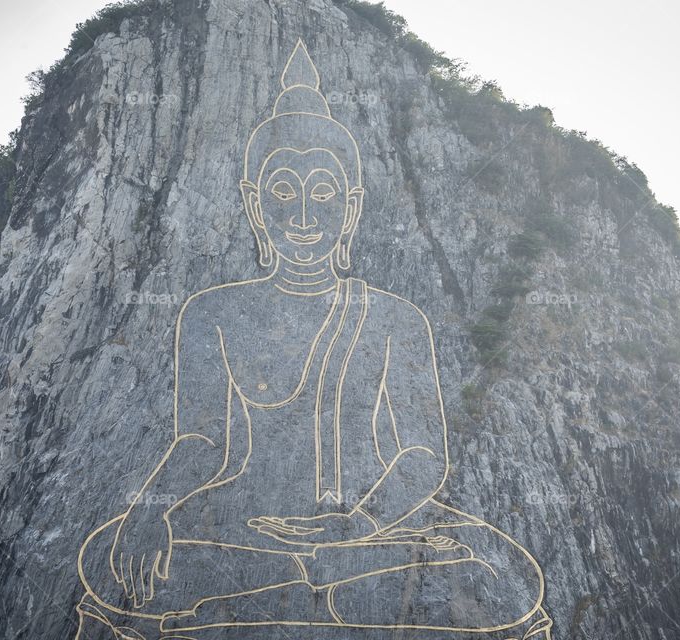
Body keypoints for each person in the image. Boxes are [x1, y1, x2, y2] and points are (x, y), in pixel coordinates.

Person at [75, 40, 552, 640]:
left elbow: (424, 456)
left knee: (501, 578)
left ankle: (267, 604)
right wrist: (150, 509)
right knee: (112, 558)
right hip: (247, 526)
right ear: (254, 205)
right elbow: (202, 440)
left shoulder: (396, 318)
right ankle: (308, 595)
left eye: (323, 193)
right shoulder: (212, 311)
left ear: (350, 208)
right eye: (282, 192)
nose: (302, 214)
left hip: (371, 530)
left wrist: (360, 523)